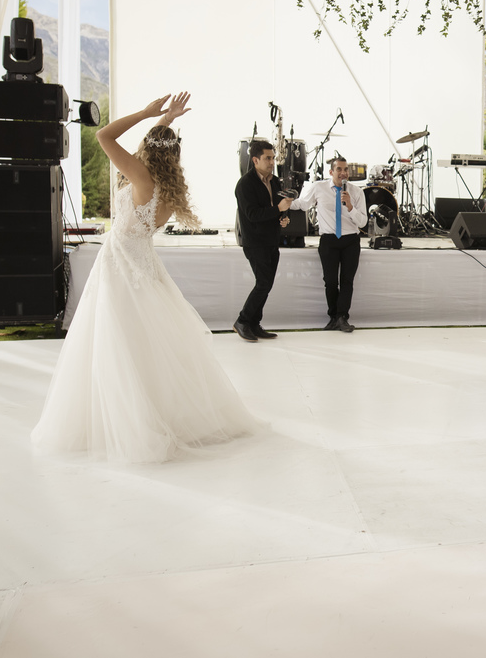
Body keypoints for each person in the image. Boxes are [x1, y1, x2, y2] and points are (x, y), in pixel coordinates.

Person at [31, 93, 264, 462]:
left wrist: (146, 114)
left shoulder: (140, 175)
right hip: (142, 268)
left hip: (122, 268)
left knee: (118, 345)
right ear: (174, 155)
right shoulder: (165, 188)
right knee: (146, 346)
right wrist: (166, 120)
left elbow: (103, 136)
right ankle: (161, 413)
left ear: (149, 150)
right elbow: (150, 147)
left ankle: (134, 422)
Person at [290, 156, 368, 332]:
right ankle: (334, 317)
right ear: (331, 172)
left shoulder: (356, 192)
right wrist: (284, 203)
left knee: (347, 281)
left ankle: (342, 317)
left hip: (350, 241)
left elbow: (362, 222)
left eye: (345, 169)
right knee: (330, 281)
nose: (343, 173)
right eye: (339, 169)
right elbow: (303, 204)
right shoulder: (319, 187)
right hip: (329, 240)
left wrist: (349, 206)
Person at [233, 139, 293, 342]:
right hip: (254, 241)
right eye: (268, 158)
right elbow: (252, 215)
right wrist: (279, 209)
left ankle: (254, 323)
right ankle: (242, 321)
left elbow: (278, 209)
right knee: (263, 283)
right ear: (255, 159)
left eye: (273, 157)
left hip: (271, 239)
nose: (272, 161)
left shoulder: (275, 182)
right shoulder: (245, 184)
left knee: (266, 284)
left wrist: (283, 218)